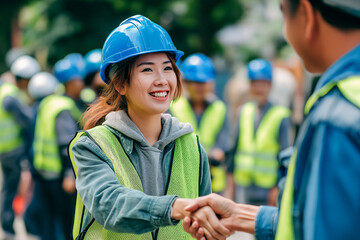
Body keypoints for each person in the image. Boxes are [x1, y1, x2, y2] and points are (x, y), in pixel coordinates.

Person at [183, 0, 360, 239]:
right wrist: (245, 216)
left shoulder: (335, 116)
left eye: (283, 13)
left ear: (306, 15)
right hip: (245, 187)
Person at [68, 15, 230, 240]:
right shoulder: (92, 146)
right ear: (120, 84)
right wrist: (174, 207)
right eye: (147, 70)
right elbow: (109, 205)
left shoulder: (192, 146)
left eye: (167, 68)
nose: (162, 79)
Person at [25, 58, 84, 240]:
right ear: (70, 83)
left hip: (43, 170)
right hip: (58, 175)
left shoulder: (49, 102)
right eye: (78, 80)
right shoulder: (64, 108)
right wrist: (69, 173)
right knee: (68, 221)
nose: (82, 83)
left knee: (48, 220)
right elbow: (65, 143)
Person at [227, 59, 292, 206]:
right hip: (243, 184)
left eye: (263, 83)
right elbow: (233, 149)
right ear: (249, 85)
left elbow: (285, 155)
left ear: (270, 85)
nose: (259, 88)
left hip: (268, 188)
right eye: (254, 83)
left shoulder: (281, 114)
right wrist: (230, 186)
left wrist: (278, 187)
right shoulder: (243, 111)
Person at [169, 53, 230, 194]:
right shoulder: (173, 107)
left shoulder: (219, 108)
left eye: (203, 82)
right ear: (185, 82)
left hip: (214, 181)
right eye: (195, 82)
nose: (199, 87)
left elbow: (225, 141)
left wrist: (218, 152)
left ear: (211, 83)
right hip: (184, 181)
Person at [0, 55, 39, 239]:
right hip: (12, 150)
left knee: (9, 188)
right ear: (23, 79)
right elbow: (28, 120)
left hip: (6, 149)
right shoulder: (10, 96)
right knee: (11, 189)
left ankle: (8, 225)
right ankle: (8, 226)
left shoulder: (5, 90)